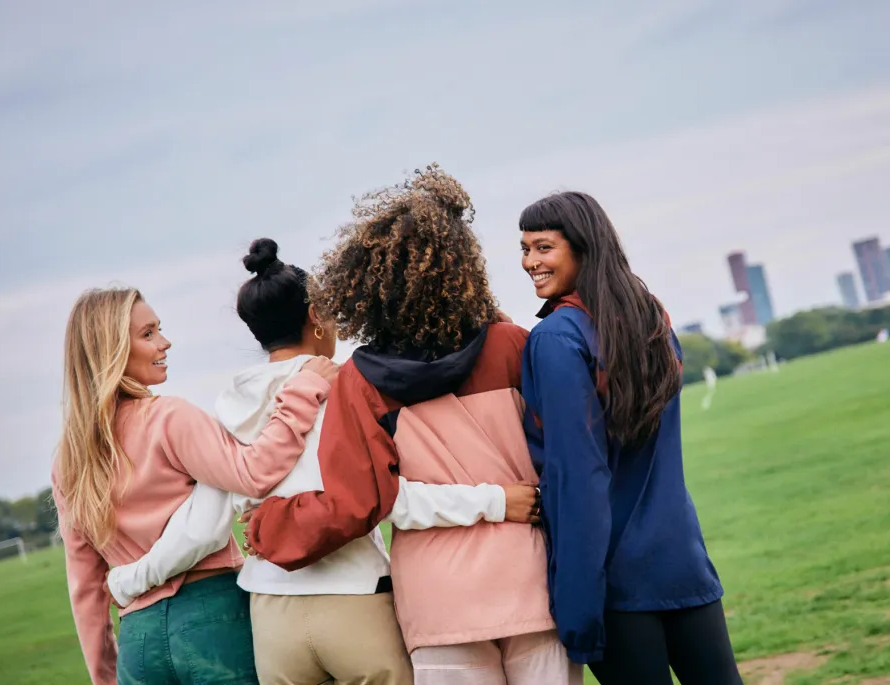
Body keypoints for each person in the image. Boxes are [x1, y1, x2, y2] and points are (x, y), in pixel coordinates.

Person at [105, 238, 542, 685]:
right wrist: (493, 501)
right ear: (316, 317)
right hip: (354, 597)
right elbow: (384, 498)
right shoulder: (346, 389)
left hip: (270, 613)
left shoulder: (224, 409)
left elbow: (205, 517)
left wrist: (132, 579)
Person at [243, 165, 582, 685]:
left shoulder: (359, 381)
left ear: (367, 283)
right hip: (532, 579)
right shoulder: (512, 345)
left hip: (438, 600)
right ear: (462, 267)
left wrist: (273, 525)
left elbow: (367, 500)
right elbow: (559, 459)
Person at [52, 286, 336, 685]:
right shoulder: (169, 417)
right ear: (112, 349)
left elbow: (84, 586)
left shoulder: (68, 463)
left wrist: (105, 676)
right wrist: (303, 390)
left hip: (139, 644)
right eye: (148, 334)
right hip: (214, 623)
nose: (165, 343)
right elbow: (253, 473)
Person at [518, 191, 743, 685]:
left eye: (543, 247)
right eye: (525, 248)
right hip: (683, 558)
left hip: (613, 581)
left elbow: (578, 477)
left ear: (582, 247)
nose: (529, 261)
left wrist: (576, 600)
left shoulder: (557, 338)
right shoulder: (653, 320)